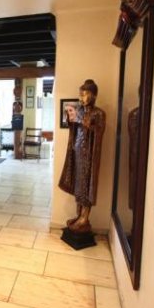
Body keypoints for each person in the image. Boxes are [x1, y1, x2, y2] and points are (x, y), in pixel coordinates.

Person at [59, 79, 106, 232]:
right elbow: (73, 128)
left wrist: (83, 121)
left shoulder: (99, 113)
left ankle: (85, 218)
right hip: (77, 153)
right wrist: (70, 118)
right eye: (80, 95)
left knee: (86, 186)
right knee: (78, 185)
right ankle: (79, 215)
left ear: (93, 95)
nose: (81, 98)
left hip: (89, 156)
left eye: (84, 95)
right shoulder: (79, 111)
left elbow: (98, 131)